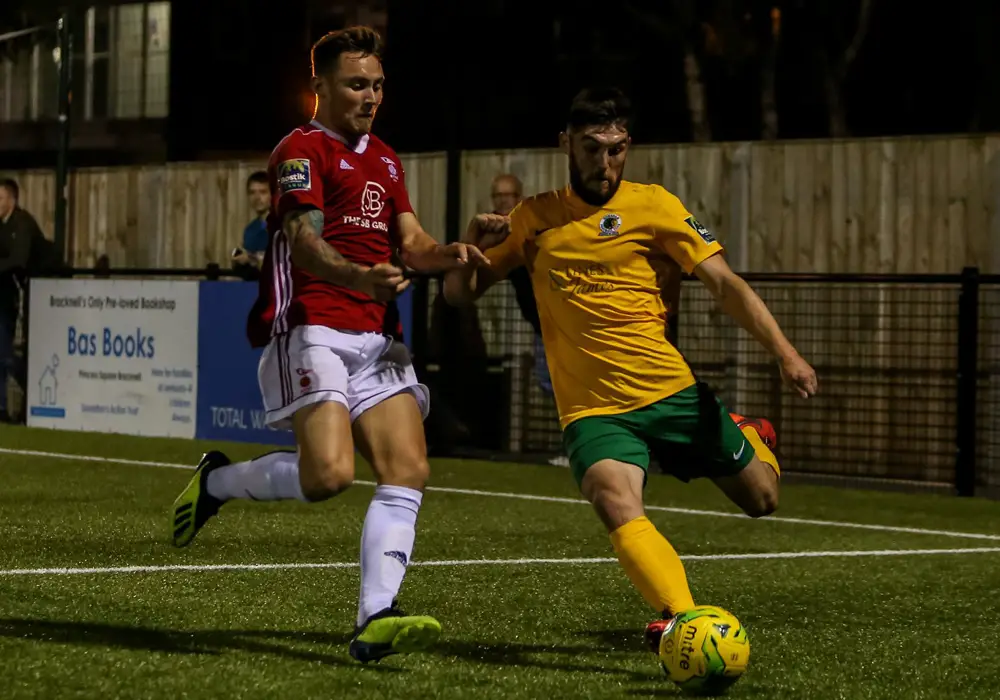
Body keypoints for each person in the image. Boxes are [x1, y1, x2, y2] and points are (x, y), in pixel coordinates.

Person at [443, 87, 818, 653]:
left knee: (762, 500)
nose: (605, 162)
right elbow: (458, 296)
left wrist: (786, 353)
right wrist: (468, 249)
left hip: (671, 392)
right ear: (566, 143)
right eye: (592, 148)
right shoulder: (533, 218)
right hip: (594, 410)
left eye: (616, 149)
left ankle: (747, 433)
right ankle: (685, 620)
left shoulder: (655, 205)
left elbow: (725, 284)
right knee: (613, 499)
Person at [169, 26, 486, 664]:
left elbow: (413, 242)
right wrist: (359, 276)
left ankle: (376, 618)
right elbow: (305, 242)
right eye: (356, 84)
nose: (371, 96)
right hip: (310, 326)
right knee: (331, 476)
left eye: (377, 85)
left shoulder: (388, 160)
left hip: (377, 338)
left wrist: (454, 248)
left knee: (408, 469)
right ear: (319, 86)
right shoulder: (300, 148)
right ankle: (219, 485)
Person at [0, 178, 40, 423]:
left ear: (12, 200)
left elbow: (18, 260)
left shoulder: (23, 223)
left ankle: (32, 394)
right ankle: (3, 407)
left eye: (0, 198)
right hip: (15, 292)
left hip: (44, 289)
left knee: (9, 355)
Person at [232, 171, 271, 280]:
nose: (257, 197)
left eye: (263, 192)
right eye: (252, 192)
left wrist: (251, 258)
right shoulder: (251, 230)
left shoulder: (283, 226)